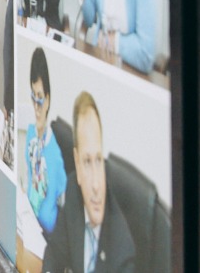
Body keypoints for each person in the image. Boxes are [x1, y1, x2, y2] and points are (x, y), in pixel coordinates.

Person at [43, 91, 136, 273]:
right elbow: (54, 252)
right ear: (77, 163)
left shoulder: (123, 253)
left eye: (98, 160)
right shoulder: (72, 190)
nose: (95, 186)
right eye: (86, 162)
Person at [25, 48, 66, 237]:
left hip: (48, 236)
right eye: (33, 96)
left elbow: (64, 206)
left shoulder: (56, 152)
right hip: (29, 226)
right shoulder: (30, 135)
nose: (36, 106)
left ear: (48, 100)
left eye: (40, 98)